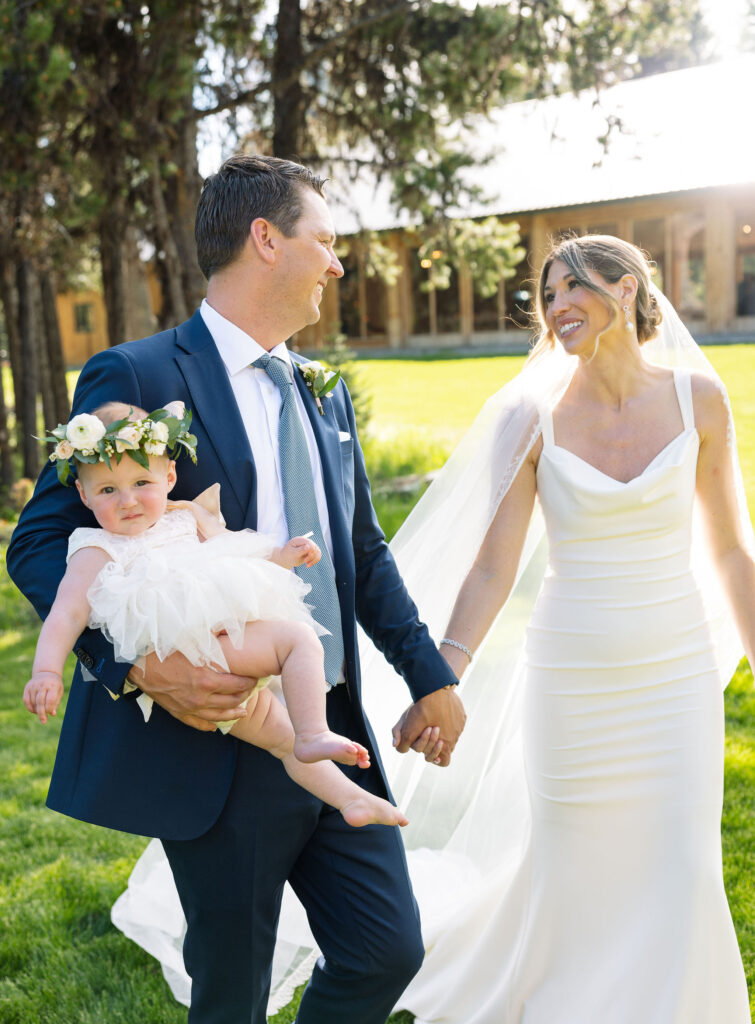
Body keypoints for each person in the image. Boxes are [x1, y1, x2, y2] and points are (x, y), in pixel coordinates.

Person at [7, 154, 465, 1024]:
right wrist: (136, 669)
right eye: (324, 241)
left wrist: (429, 675)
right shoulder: (136, 376)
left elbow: (356, 550)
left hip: (329, 719)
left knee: (385, 950)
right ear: (265, 239)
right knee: (232, 989)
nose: (336, 263)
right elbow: (40, 544)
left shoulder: (321, 392)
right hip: (212, 733)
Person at [373, 234, 751, 1022]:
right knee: (575, 858)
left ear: (625, 290)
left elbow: (728, 550)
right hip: (571, 680)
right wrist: (437, 677)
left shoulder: (697, 401)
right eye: (546, 296)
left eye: (570, 288)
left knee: (680, 860)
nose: (554, 308)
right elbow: (489, 570)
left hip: (673, 675)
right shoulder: (528, 416)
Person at [24, 400, 407, 830]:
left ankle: (352, 799)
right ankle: (315, 731)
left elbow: (237, 549)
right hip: (196, 654)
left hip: (226, 640)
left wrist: (282, 556)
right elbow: (66, 612)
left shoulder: (185, 517)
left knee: (282, 738)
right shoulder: (95, 548)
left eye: (141, 482)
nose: (128, 501)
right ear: (83, 494)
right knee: (297, 640)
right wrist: (46, 672)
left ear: (169, 476)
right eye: (108, 490)